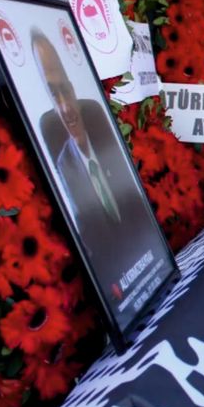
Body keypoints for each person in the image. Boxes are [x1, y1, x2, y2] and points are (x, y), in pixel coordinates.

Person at [33, 29, 146, 299]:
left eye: (65, 91)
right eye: (53, 95)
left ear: (73, 89)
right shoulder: (65, 170)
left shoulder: (107, 142)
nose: (65, 108)